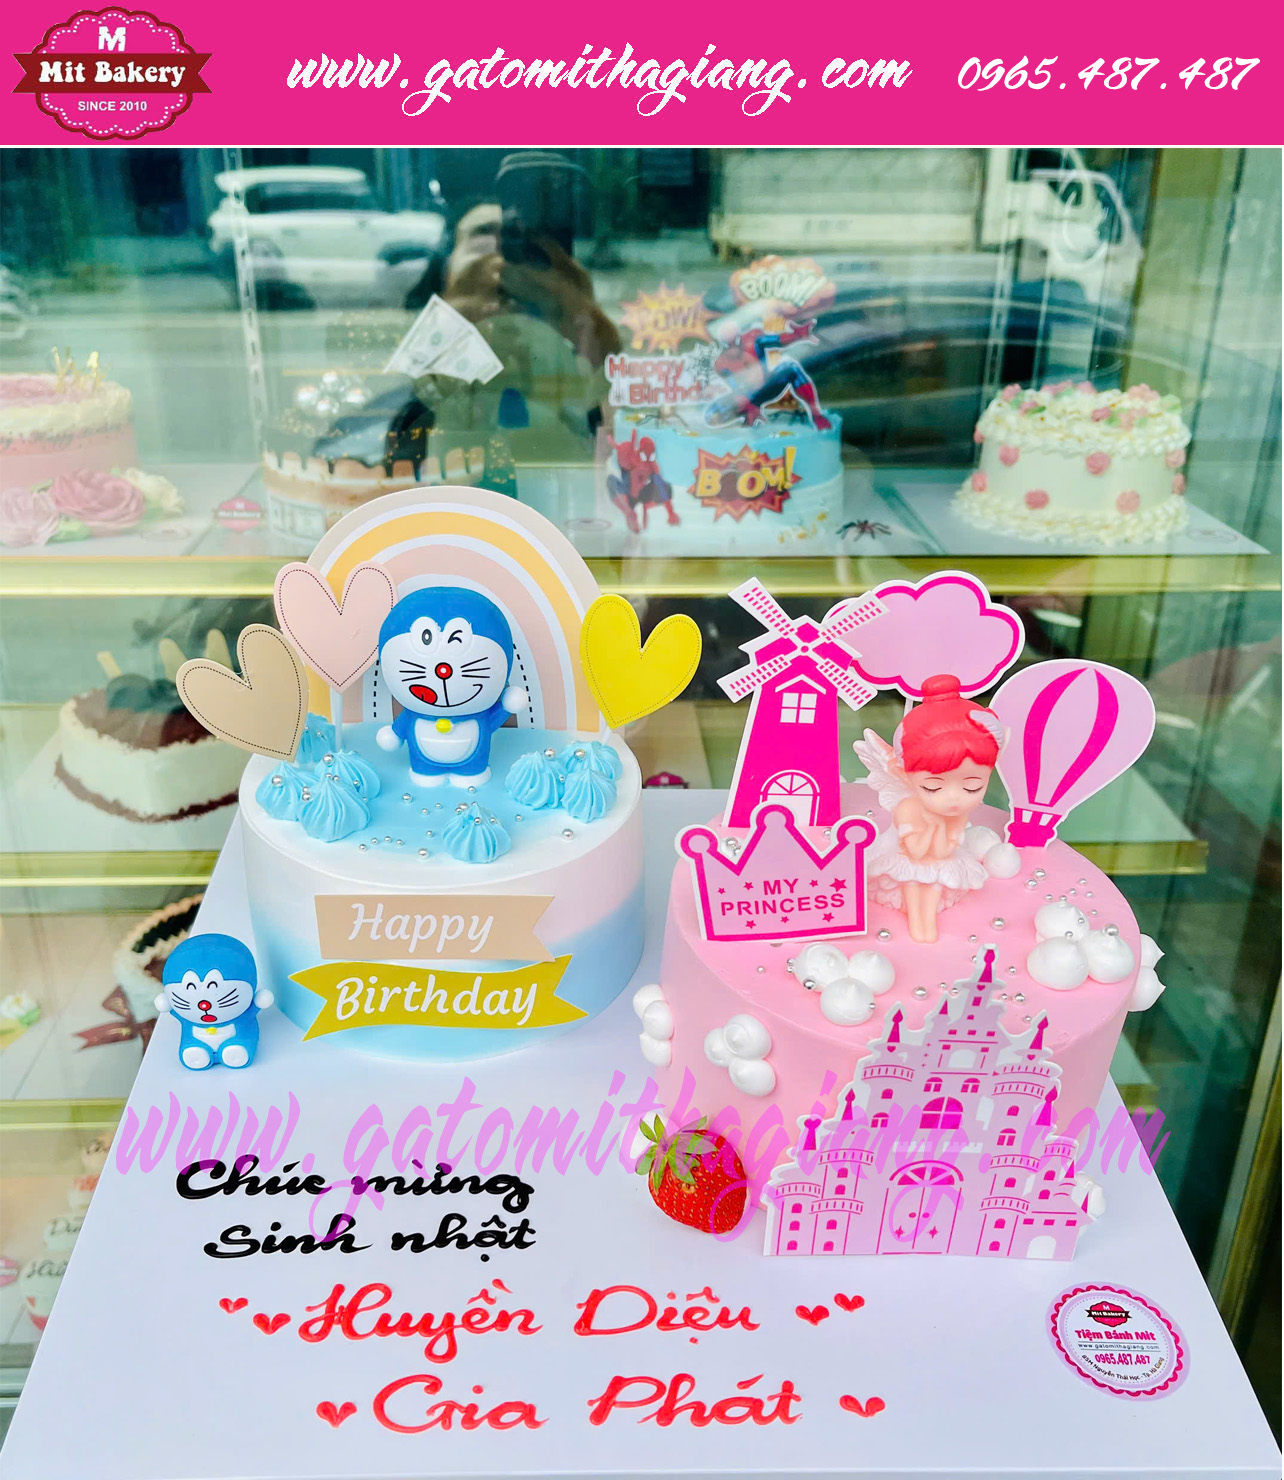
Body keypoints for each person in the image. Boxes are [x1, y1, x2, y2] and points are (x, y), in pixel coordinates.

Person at [853, 675, 1005, 944]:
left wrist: (940, 831)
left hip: (937, 859)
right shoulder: (908, 808)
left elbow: (945, 852)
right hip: (907, 859)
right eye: (933, 787)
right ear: (906, 776)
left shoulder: (956, 814)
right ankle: (917, 919)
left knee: (935, 880)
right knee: (914, 880)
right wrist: (935, 828)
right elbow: (916, 852)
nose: (953, 799)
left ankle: (927, 923)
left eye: (972, 787)